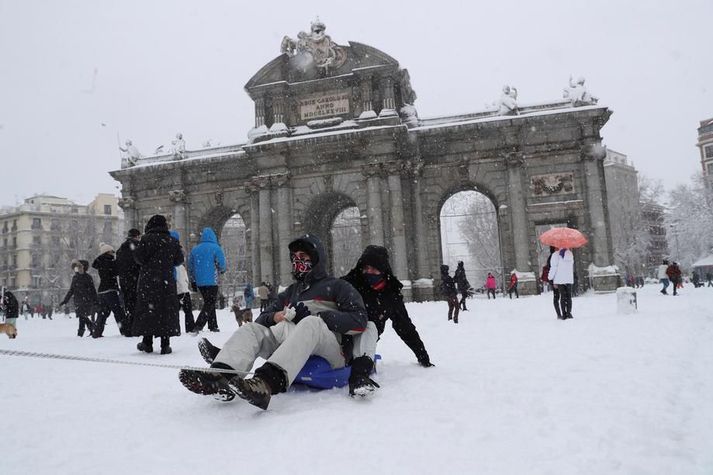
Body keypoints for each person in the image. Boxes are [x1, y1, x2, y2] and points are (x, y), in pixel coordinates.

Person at [179, 234, 368, 410]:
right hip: (289, 341)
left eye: (303, 256)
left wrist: (321, 316)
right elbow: (262, 319)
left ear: (316, 258)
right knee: (252, 329)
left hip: (329, 350)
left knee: (311, 323)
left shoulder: (338, 286)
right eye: (294, 257)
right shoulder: (291, 292)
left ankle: (265, 383)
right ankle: (220, 375)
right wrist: (276, 316)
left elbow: (359, 320)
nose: (297, 261)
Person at [342, 245, 434, 396]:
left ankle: (360, 376)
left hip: (364, 340)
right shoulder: (349, 284)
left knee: (369, 326)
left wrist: (422, 355)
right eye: (366, 268)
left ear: (383, 270)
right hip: (341, 334)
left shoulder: (390, 294)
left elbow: (405, 327)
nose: (368, 272)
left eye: (374, 269)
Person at [132, 215, 184, 355]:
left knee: (149, 310)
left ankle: (147, 342)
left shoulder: (145, 240)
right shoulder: (172, 241)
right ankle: (165, 344)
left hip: (149, 281)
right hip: (166, 281)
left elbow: (138, 258)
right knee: (165, 310)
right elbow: (179, 260)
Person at [188, 227, 227, 333]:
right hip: (212, 280)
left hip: (200, 282)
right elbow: (222, 264)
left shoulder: (195, 249)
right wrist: (222, 270)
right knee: (210, 302)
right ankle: (199, 324)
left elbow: (190, 267)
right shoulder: (216, 248)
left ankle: (213, 325)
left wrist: (193, 280)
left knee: (208, 302)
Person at [92, 243, 127, 337]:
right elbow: (117, 271)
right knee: (118, 311)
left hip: (101, 291)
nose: (114, 253)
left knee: (102, 313)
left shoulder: (100, 262)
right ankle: (125, 330)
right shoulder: (109, 261)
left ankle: (97, 332)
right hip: (110, 290)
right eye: (112, 251)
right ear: (107, 252)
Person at [59, 259, 98, 336]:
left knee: (82, 316)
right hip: (78, 301)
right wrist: (65, 300)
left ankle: (82, 332)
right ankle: (91, 328)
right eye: (77, 267)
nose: (77, 269)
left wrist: (96, 300)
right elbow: (71, 290)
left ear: (84, 268)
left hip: (86, 300)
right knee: (82, 316)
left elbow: (92, 290)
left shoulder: (88, 277)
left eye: (79, 267)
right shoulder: (75, 277)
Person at [116, 229, 142, 337]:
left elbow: (118, 265)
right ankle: (137, 328)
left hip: (124, 280)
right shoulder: (138, 247)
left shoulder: (121, 249)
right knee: (138, 304)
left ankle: (129, 328)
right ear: (137, 236)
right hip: (136, 279)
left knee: (128, 304)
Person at [170, 230, 195, 334]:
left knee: (174, 311)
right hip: (181, 285)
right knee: (188, 309)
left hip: (173, 285)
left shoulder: (165, 249)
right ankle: (190, 328)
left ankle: (175, 329)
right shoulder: (178, 250)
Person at [548, 248, 574, 319]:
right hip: (568, 278)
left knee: (562, 296)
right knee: (569, 296)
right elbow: (571, 265)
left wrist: (550, 277)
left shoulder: (555, 255)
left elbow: (553, 268)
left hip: (560, 279)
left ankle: (564, 314)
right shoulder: (570, 253)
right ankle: (569, 313)